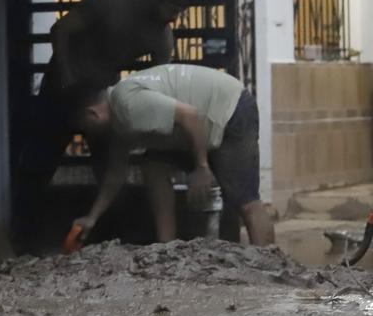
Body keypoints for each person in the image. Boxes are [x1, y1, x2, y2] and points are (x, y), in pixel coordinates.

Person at [15, 0, 192, 247]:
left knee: (112, 170)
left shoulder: (162, 37)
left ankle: (109, 242)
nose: (174, 18)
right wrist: (65, 74)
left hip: (102, 95)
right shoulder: (112, 0)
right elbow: (61, 29)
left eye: (179, 12)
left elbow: (158, 82)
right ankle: (25, 240)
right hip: (62, 89)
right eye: (171, 9)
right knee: (38, 165)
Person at [71, 64, 274, 247]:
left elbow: (190, 116)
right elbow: (116, 174)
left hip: (229, 108)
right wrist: (92, 217)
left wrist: (201, 167)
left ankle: (270, 267)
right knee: (153, 163)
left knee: (245, 200)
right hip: (202, 124)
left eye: (85, 129)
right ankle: (167, 246)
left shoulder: (125, 102)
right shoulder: (119, 125)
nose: (88, 136)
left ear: (93, 114)